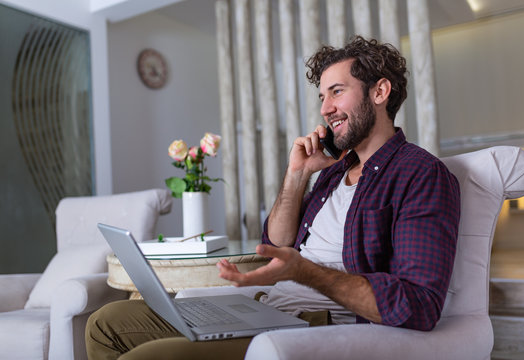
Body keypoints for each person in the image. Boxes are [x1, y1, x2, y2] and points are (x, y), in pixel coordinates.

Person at [85, 36, 460, 360]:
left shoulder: (419, 173)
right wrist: (297, 175)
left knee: (151, 356)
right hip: (266, 309)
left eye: (337, 92)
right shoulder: (331, 173)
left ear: (380, 92)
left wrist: (304, 271)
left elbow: (419, 305)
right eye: (322, 96)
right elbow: (276, 243)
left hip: (317, 326)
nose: (325, 109)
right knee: (105, 322)